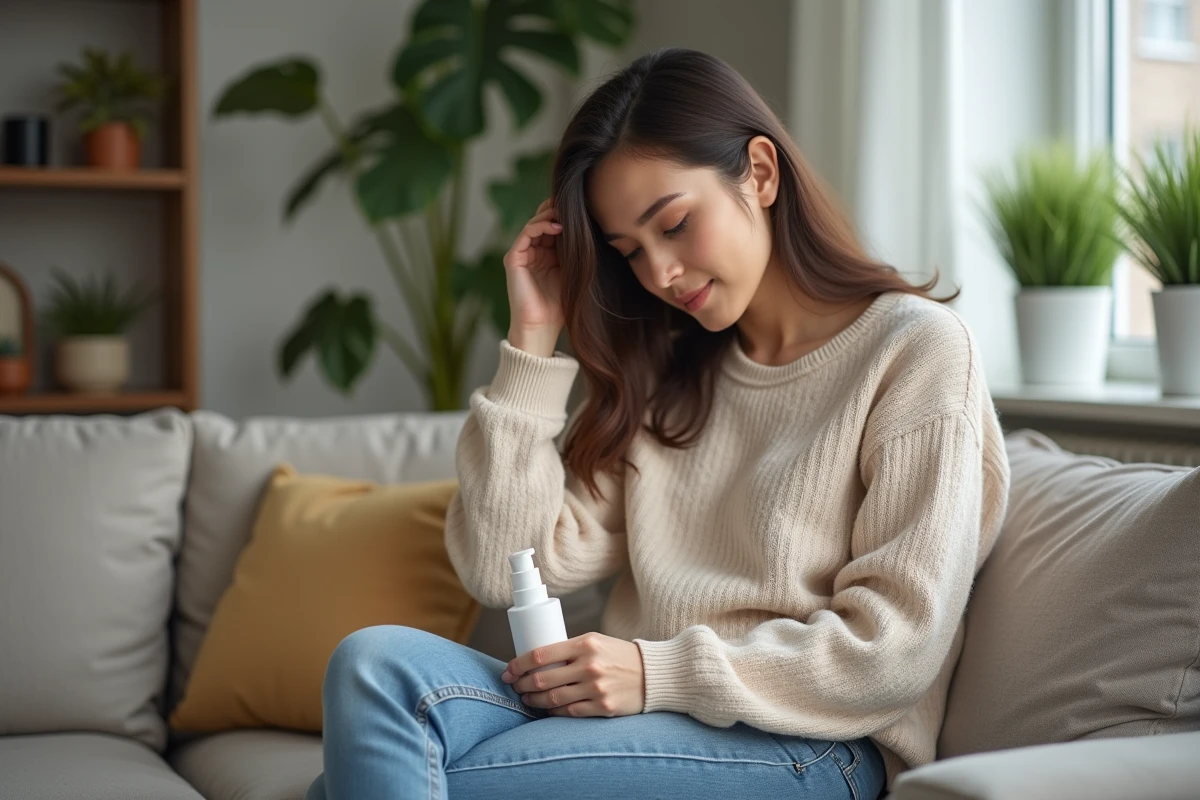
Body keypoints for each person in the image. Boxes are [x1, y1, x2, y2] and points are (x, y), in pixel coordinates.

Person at [305, 46, 1010, 800]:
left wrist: (655, 671)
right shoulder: (671, 374)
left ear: (761, 174)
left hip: (807, 745)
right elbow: (500, 569)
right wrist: (532, 339)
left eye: (674, 224)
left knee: (391, 779)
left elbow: (892, 651)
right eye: (629, 251)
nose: (659, 275)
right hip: (635, 712)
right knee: (374, 664)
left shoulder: (915, 349)